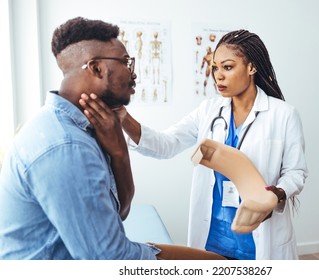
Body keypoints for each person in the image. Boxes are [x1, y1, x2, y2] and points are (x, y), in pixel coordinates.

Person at [0, 16, 225, 260]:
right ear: (96, 68)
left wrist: (120, 153)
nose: (133, 73)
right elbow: (111, 262)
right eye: (126, 62)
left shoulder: (86, 128)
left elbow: (120, 212)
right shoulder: (66, 145)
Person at [81, 29, 308, 260]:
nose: (218, 76)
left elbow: (295, 172)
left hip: (260, 237)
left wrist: (276, 194)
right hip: (215, 236)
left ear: (251, 67)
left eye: (227, 67)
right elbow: (166, 144)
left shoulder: (283, 114)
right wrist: (123, 118)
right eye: (215, 68)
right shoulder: (209, 110)